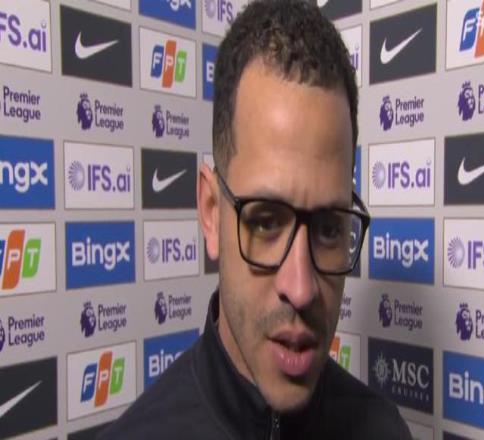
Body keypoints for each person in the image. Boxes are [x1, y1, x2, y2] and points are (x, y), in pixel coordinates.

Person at [100, 0, 412, 438]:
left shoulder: (385, 431)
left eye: (328, 229)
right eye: (266, 222)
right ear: (211, 214)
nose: (301, 289)